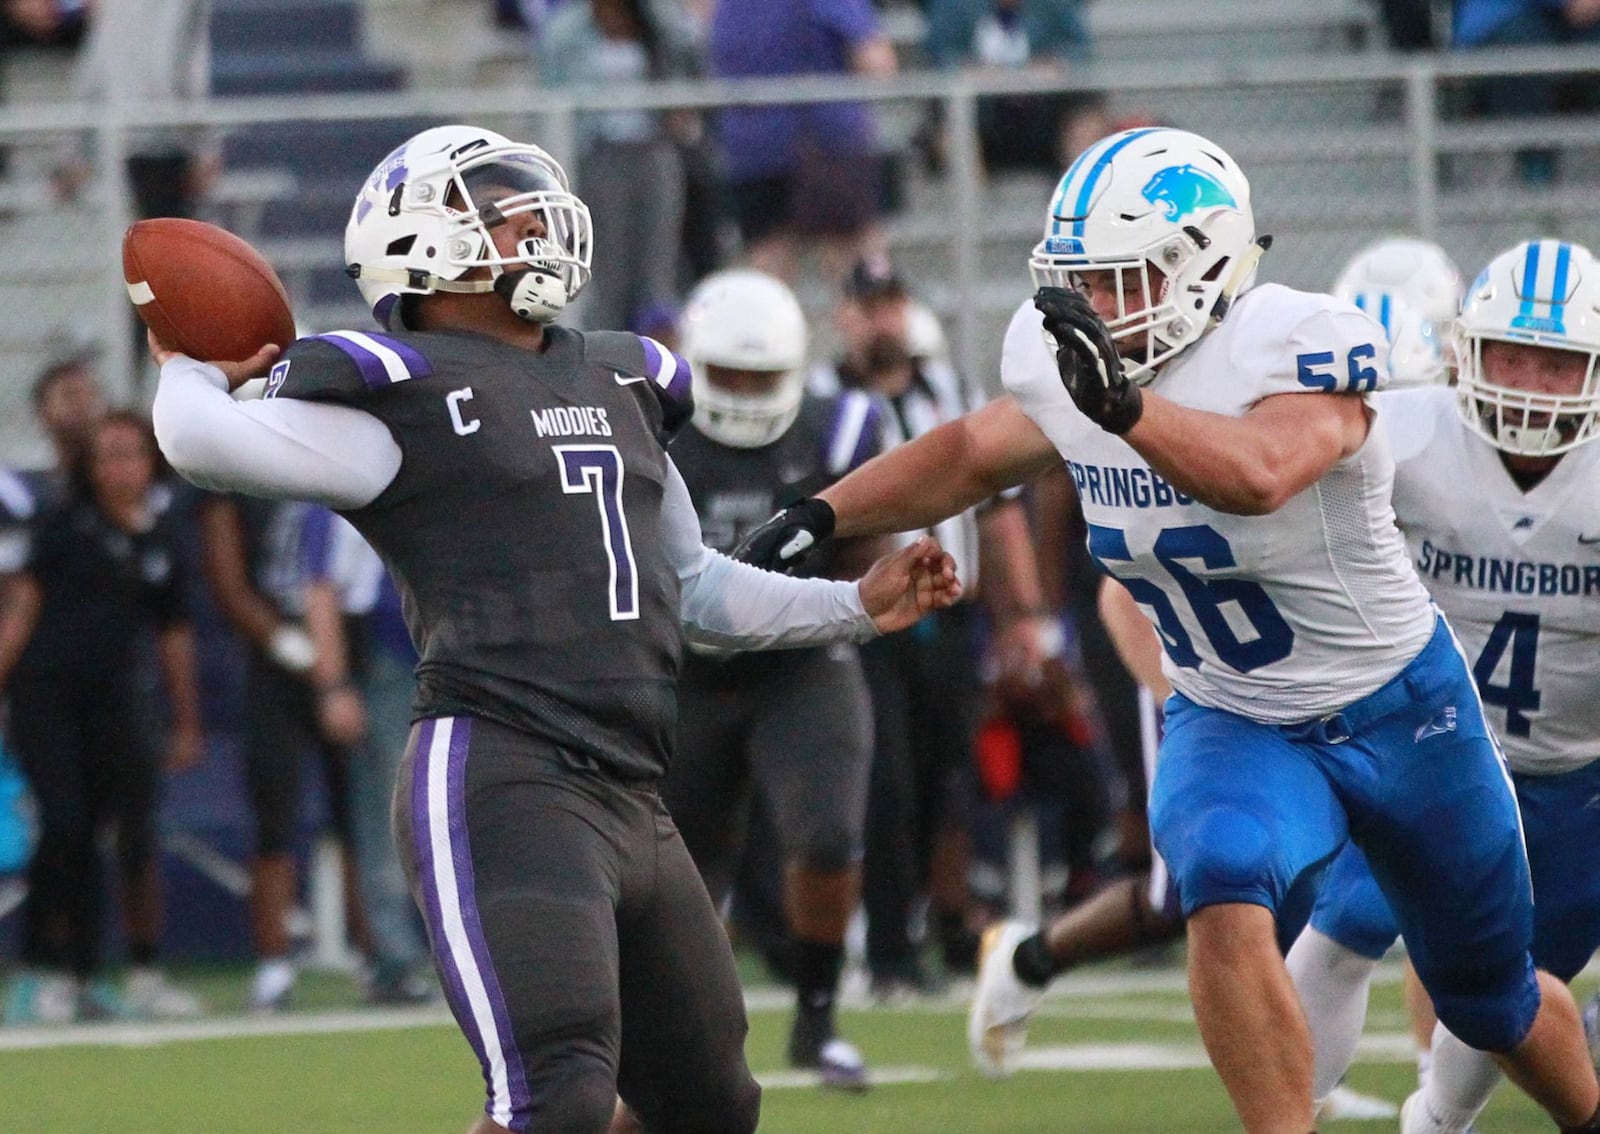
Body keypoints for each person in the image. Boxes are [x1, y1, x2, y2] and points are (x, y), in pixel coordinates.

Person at [733, 125, 1600, 1133]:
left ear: (1204, 264)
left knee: (1488, 996)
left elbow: (1262, 471)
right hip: (1232, 713)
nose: (1095, 308)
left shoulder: (1293, 338)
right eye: (1082, 281)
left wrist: (1128, 411)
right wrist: (823, 512)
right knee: (1221, 872)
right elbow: (977, 450)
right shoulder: (1071, 367)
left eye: (1121, 279)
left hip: (1400, 711)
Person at [149, 123, 959, 1134]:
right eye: (496, 206)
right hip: (501, 768)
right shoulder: (397, 392)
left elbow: (694, 587)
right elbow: (198, 440)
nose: (533, 221)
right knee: (556, 1094)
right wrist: (189, 358)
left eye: (529, 199)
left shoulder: (624, 375)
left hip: (629, 782)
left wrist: (855, 604)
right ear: (419, 244)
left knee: (711, 1104)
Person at [1283, 238, 1600, 1133]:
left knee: (1507, 992)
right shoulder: (1406, 430)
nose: (1530, 383)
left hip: (1572, 777)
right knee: (1344, 925)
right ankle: (1278, 1115)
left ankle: (1437, 1121)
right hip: (1434, 746)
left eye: (1557, 362)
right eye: (1510, 356)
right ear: (1464, 351)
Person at [661, 267, 885, 1089]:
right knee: (680, 874)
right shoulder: (651, 428)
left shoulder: (841, 428)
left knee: (826, 834)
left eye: (765, 375)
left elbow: (869, 550)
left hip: (799, 665)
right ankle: (681, 1036)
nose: (750, 392)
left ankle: (818, 1017)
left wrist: (870, 581)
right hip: (686, 672)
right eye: (733, 375)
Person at [811, 255, 1053, 997]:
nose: (880, 318)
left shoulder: (953, 391)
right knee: (884, 781)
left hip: (951, 618)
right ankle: (888, 947)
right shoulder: (822, 400)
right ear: (843, 315)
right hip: (864, 621)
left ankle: (933, 925)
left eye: (890, 302)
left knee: (946, 779)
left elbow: (1001, 509)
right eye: (867, 304)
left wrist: (1025, 616)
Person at [0, 412, 204, 1025]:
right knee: (62, 822)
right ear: (90, 468)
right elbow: (23, 608)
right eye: (107, 455)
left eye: (131, 453)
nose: (120, 467)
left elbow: (173, 633)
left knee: (103, 827)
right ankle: (40, 971)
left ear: (151, 461)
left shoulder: (161, 534)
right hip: (46, 697)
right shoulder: (63, 524)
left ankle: (87, 973)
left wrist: (187, 719)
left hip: (114, 700)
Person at [197, 493, 370, 1012]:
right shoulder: (239, 475)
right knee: (275, 814)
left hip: (347, 645)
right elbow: (227, 579)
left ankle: (377, 955)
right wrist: (284, 644)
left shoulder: (339, 455)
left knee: (360, 813)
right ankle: (273, 965)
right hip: (274, 666)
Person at [537, 0, 702, 335]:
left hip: (653, 152)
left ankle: (654, 351)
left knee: (657, 262)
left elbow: (688, 50)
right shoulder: (568, 32)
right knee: (608, 266)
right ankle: (606, 346)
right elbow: (552, 99)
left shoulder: (657, 21)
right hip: (602, 155)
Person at [706, 0, 897, 281]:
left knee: (768, 271)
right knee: (856, 266)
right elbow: (877, 63)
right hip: (828, 144)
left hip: (750, 148)